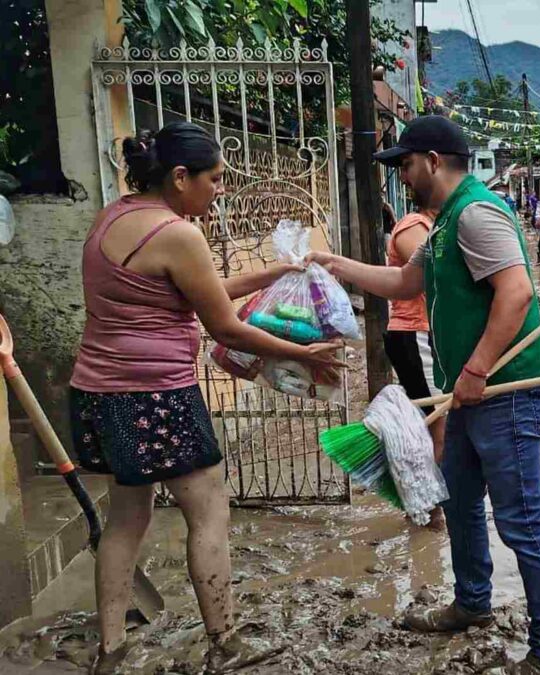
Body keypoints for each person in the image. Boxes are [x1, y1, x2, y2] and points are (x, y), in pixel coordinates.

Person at [71, 123, 343, 674]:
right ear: (179, 177)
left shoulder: (113, 216)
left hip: (98, 392)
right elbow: (227, 329)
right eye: (214, 179)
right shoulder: (177, 234)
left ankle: (111, 650)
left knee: (127, 517)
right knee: (210, 510)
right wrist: (308, 355)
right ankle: (225, 642)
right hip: (157, 397)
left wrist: (279, 271)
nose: (220, 190)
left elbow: (193, 292)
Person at [307, 115, 540, 675]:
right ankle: (473, 603)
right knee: (458, 501)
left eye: (404, 164)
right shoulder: (447, 221)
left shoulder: (475, 214)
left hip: (505, 391)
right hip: (469, 393)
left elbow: (519, 291)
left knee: (522, 521)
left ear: (432, 160)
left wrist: (476, 368)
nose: (401, 176)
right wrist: (336, 266)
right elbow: (405, 282)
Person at [383, 199, 446, 467]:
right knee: (441, 426)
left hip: (425, 334)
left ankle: (431, 504)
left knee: (436, 424)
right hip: (415, 333)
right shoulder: (414, 225)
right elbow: (434, 275)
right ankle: (431, 505)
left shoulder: (433, 227)